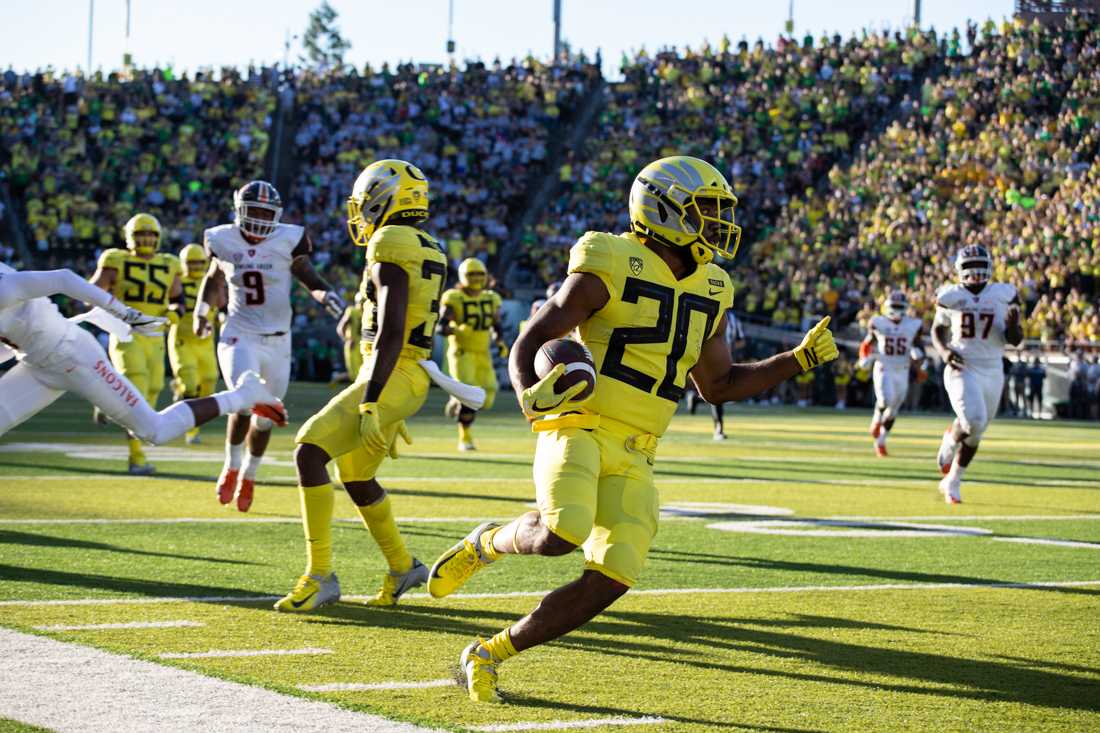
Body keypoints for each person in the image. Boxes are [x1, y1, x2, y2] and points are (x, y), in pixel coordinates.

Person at [426, 156, 838, 703]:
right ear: (664, 208)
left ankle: (489, 652)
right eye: (706, 210)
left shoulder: (715, 285)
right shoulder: (612, 257)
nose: (717, 223)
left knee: (613, 575)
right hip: (580, 421)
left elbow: (716, 384)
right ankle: (487, 543)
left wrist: (796, 359)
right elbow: (532, 338)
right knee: (561, 534)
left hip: (640, 448)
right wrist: (531, 397)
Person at [275, 159, 447, 612]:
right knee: (355, 474)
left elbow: (393, 328)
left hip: (391, 373)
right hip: (405, 375)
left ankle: (320, 574)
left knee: (308, 449)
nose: (361, 213)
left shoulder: (390, 241)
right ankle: (403, 565)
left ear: (382, 197)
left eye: (365, 202)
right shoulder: (428, 244)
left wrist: (374, 400)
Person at [0, 262, 285, 444]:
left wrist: (127, 314)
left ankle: (243, 395)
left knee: (154, 431)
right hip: (36, 365)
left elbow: (63, 278)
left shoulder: (3, 287)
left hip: (73, 356)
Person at [195, 181, 345, 512]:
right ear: (239, 211)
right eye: (254, 211)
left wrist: (334, 304)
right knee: (245, 400)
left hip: (279, 341)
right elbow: (214, 276)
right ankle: (231, 466)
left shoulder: (288, 239)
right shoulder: (222, 239)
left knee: (266, 417)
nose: (260, 218)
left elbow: (311, 280)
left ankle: (249, 475)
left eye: (267, 212)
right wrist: (202, 312)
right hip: (239, 334)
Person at [89, 213, 184, 474]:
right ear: (130, 237)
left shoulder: (170, 263)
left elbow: (178, 298)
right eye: (140, 234)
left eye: (150, 234)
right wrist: (109, 309)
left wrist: (175, 312)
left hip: (155, 336)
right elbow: (93, 291)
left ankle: (106, 398)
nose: (145, 239)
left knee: (154, 388)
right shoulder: (116, 259)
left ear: (158, 237)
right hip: (126, 332)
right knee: (138, 388)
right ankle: (136, 458)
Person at [933, 245, 1024, 504]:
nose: (975, 275)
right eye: (969, 270)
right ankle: (950, 440)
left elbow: (1015, 341)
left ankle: (952, 480)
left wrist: (1013, 326)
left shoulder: (1003, 294)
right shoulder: (950, 295)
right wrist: (943, 352)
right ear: (959, 271)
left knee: (977, 431)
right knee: (973, 418)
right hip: (962, 364)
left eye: (979, 269)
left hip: (993, 366)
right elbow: (937, 330)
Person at [440, 258, 508, 451]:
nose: (476, 278)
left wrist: (500, 341)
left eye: (480, 274)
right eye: (472, 274)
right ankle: (465, 437)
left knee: (488, 396)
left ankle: (456, 397)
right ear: (463, 277)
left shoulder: (490, 298)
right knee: (470, 395)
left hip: (482, 352)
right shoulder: (454, 298)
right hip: (462, 352)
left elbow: (496, 324)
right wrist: (457, 330)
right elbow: (441, 328)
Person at [168, 244, 220, 444]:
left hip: (205, 342)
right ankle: (191, 430)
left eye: (200, 262)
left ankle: (180, 392)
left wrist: (222, 317)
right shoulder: (177, 281)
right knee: (191, 384)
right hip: (183, 339)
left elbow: (221, 305)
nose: (196, 266)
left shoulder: (212, 281)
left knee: (209, 384)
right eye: (192, 262)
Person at [860, 291, 924, 457]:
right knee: (885, 399)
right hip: (884, 365)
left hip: (902, 369)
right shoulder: (878, 322)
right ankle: (876, 420)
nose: (896, 310)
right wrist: (864, 358)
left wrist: (919, 359)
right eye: (893, 306)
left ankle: (881, 441)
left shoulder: (913, 324)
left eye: (899, 306)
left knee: (894, 409)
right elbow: (867, 343)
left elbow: (919, 348)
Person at [335, 292, 365, 383]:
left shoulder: (369, 313)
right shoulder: (353, 311)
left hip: (365, 345)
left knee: (364, 372)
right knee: (354, 374)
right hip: (354, 344)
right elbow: (341, 327)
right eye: (362, 302)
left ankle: (338, 378)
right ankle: (337, 378)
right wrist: (347, 340)